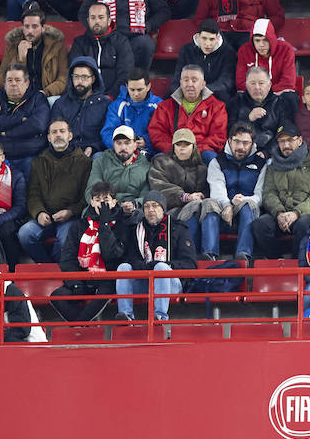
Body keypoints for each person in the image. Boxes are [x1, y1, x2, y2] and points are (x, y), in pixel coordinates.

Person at [51, 181, 127, 323]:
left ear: (114, 202)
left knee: (105, 292)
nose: (101, 204)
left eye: (106, 200)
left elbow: (111, 255)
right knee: (57, 296)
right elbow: (68, 258)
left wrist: (104, 224)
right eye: (97, 200)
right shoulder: (79, 225)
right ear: (91, 202)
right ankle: (81, 324)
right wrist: (76, 283)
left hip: (107, 279)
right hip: (83, 277)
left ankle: (79, 326)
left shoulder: (122, 225)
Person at [18, 120, 91, 264]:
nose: (58, 135)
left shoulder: (84, 162)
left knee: (65, 241)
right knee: (24, 234)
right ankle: (46, 265)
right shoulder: (38, 162)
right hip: (44, 217)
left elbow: (86, 197)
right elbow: (33, 194)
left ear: (70, 135)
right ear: (49, 137)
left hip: (70, 218)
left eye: (62, 131)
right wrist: (39, 213)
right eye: (54, 132)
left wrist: (70, 212)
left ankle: (58, 268)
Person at [114, 191, 193, 323]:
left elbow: (190, 264)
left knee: (161, 267)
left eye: (155, 205)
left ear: (163, 208)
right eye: (146, 206)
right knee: (123, 267)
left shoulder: (178, 228)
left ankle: (160, 316)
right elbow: (129, 258)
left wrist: (167, 265)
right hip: (145, 281)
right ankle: (126, 316)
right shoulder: (136, 229)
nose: (150, 210)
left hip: (171, 283)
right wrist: (142, 265)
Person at [149, 128, 227, 261]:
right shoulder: (161, 162)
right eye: (178, 145)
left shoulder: (202, 168)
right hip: (171, 211)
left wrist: (202, 195)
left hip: (199, 209)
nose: (182, 148)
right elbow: (159, 187)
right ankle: (190, 254)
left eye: (186, 145)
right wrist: (185, 197)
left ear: (193, 147)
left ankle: (210, 254)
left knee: (209, 203)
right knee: (194, 205)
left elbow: (209, 190)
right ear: (173, 147)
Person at [253, 126, 310, 258]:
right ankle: (276, 259)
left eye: (290, 140)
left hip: (303, 213)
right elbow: (268, 193)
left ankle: (296, 260)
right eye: (282, 141)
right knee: (260, 225)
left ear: (299, 140)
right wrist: (279, 212)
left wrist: (296, 213)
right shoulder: (273, 166)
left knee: (305, 224)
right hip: (280, 214)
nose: (286, 145)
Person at [149, 65, 228, 158]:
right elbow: (157, 133)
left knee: (211, 158)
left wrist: (194, 150)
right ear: (181, 83)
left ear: (203, 84)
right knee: (159, 159)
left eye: (194, 80)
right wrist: (175, 149)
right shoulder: (165, 106)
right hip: (173, 152)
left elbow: (218, 137)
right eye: (186, 80)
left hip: (201, 153)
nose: (190, 84)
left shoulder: (217, 107)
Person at [0, 65, 51, 174]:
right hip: (2, 156)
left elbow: (38, 125)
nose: (13, 84)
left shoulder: (37, 98)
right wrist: (19, 119)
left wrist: (7, 133)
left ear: (27, 83)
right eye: (9, 80)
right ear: (5, 84)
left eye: (17, 80)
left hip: (30, 154)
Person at [214, 123, 264, 263]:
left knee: (248, 205)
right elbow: (217, 189)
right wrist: (227, 204)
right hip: (223, 210)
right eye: (236, 141)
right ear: (230, 140)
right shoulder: (218, 162)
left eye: (246, 143)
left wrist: (244, 200)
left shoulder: (261, 163)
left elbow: (260, 194)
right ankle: (209, 255)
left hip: (250, 211)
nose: (241, 147)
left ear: (252, 144)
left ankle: (243, 254)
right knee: (208, 206)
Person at [0, 4, 68, 99]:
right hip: (20, 97)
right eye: (26, 26)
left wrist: (45, 92)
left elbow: (63, 79)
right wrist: (20, 59)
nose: (30, 31)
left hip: (47, 96)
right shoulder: (13, 47)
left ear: (43, 28)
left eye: (35, 26)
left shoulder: (57, 47)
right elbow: (0, 78)